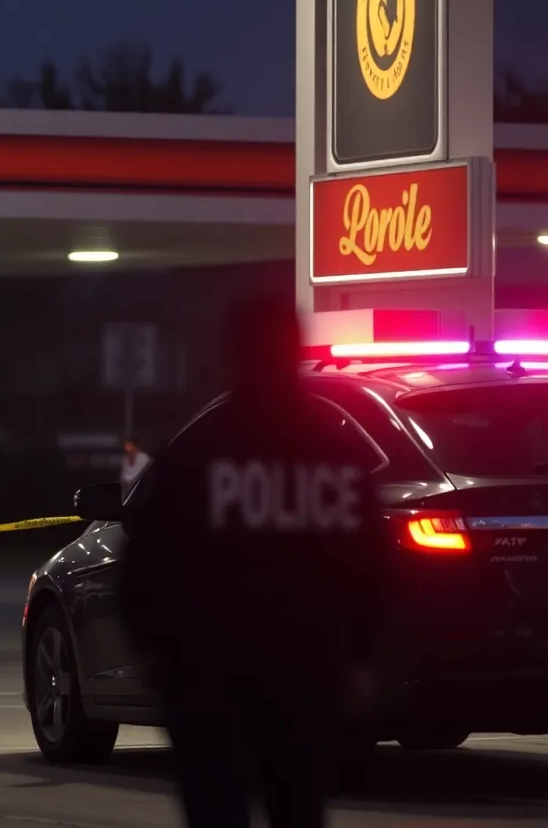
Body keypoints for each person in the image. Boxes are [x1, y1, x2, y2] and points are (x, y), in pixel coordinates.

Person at [117, 293, 391, 828]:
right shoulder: (335, 453)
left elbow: (150, 557)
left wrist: (150, 646)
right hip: (307, 671)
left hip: (209, 674)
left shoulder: (200, 449)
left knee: (217, 809)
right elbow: (370, 564)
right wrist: (359, 653)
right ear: (296, 349)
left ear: (232, 354)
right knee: (298, 808)